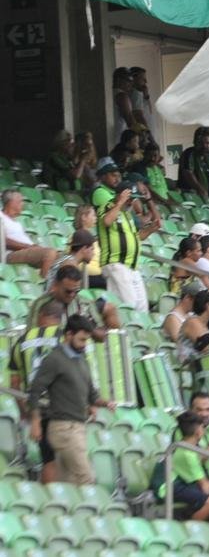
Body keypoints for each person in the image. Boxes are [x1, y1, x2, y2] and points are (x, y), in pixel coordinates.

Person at [27, 314, 114, 485]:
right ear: (68, 335)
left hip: (78, 427)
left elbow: (92, 395)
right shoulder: (54, 359)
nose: (84, 345)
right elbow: (35, 391)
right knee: (86, 477)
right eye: (81, 340)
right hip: (64, 428)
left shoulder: (82, 361)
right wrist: (36, 422)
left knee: (69, 482)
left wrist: (105, 403)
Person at [91, 161, 157, 311]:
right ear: (121, 196)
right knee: (128, 306)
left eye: (133, 198)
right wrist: (120, 202)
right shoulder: (107, 207)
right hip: (116, 263)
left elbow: (136, 237)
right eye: (129, 197)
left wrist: (151, 229)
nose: (131, 201)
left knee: (142, 308)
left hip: (131, 266)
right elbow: (107, 221)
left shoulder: (127, 214)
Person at [0, 189, 58, 277]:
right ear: (11, 202)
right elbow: (3, 241)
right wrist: (29, 247)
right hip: (10, 254)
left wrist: (34, 247)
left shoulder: (17, 223)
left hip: (26, 251)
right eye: (20, 201)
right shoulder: (1, 216)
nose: (23, 204)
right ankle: (45, 285)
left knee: (64, 258)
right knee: (50, 253)